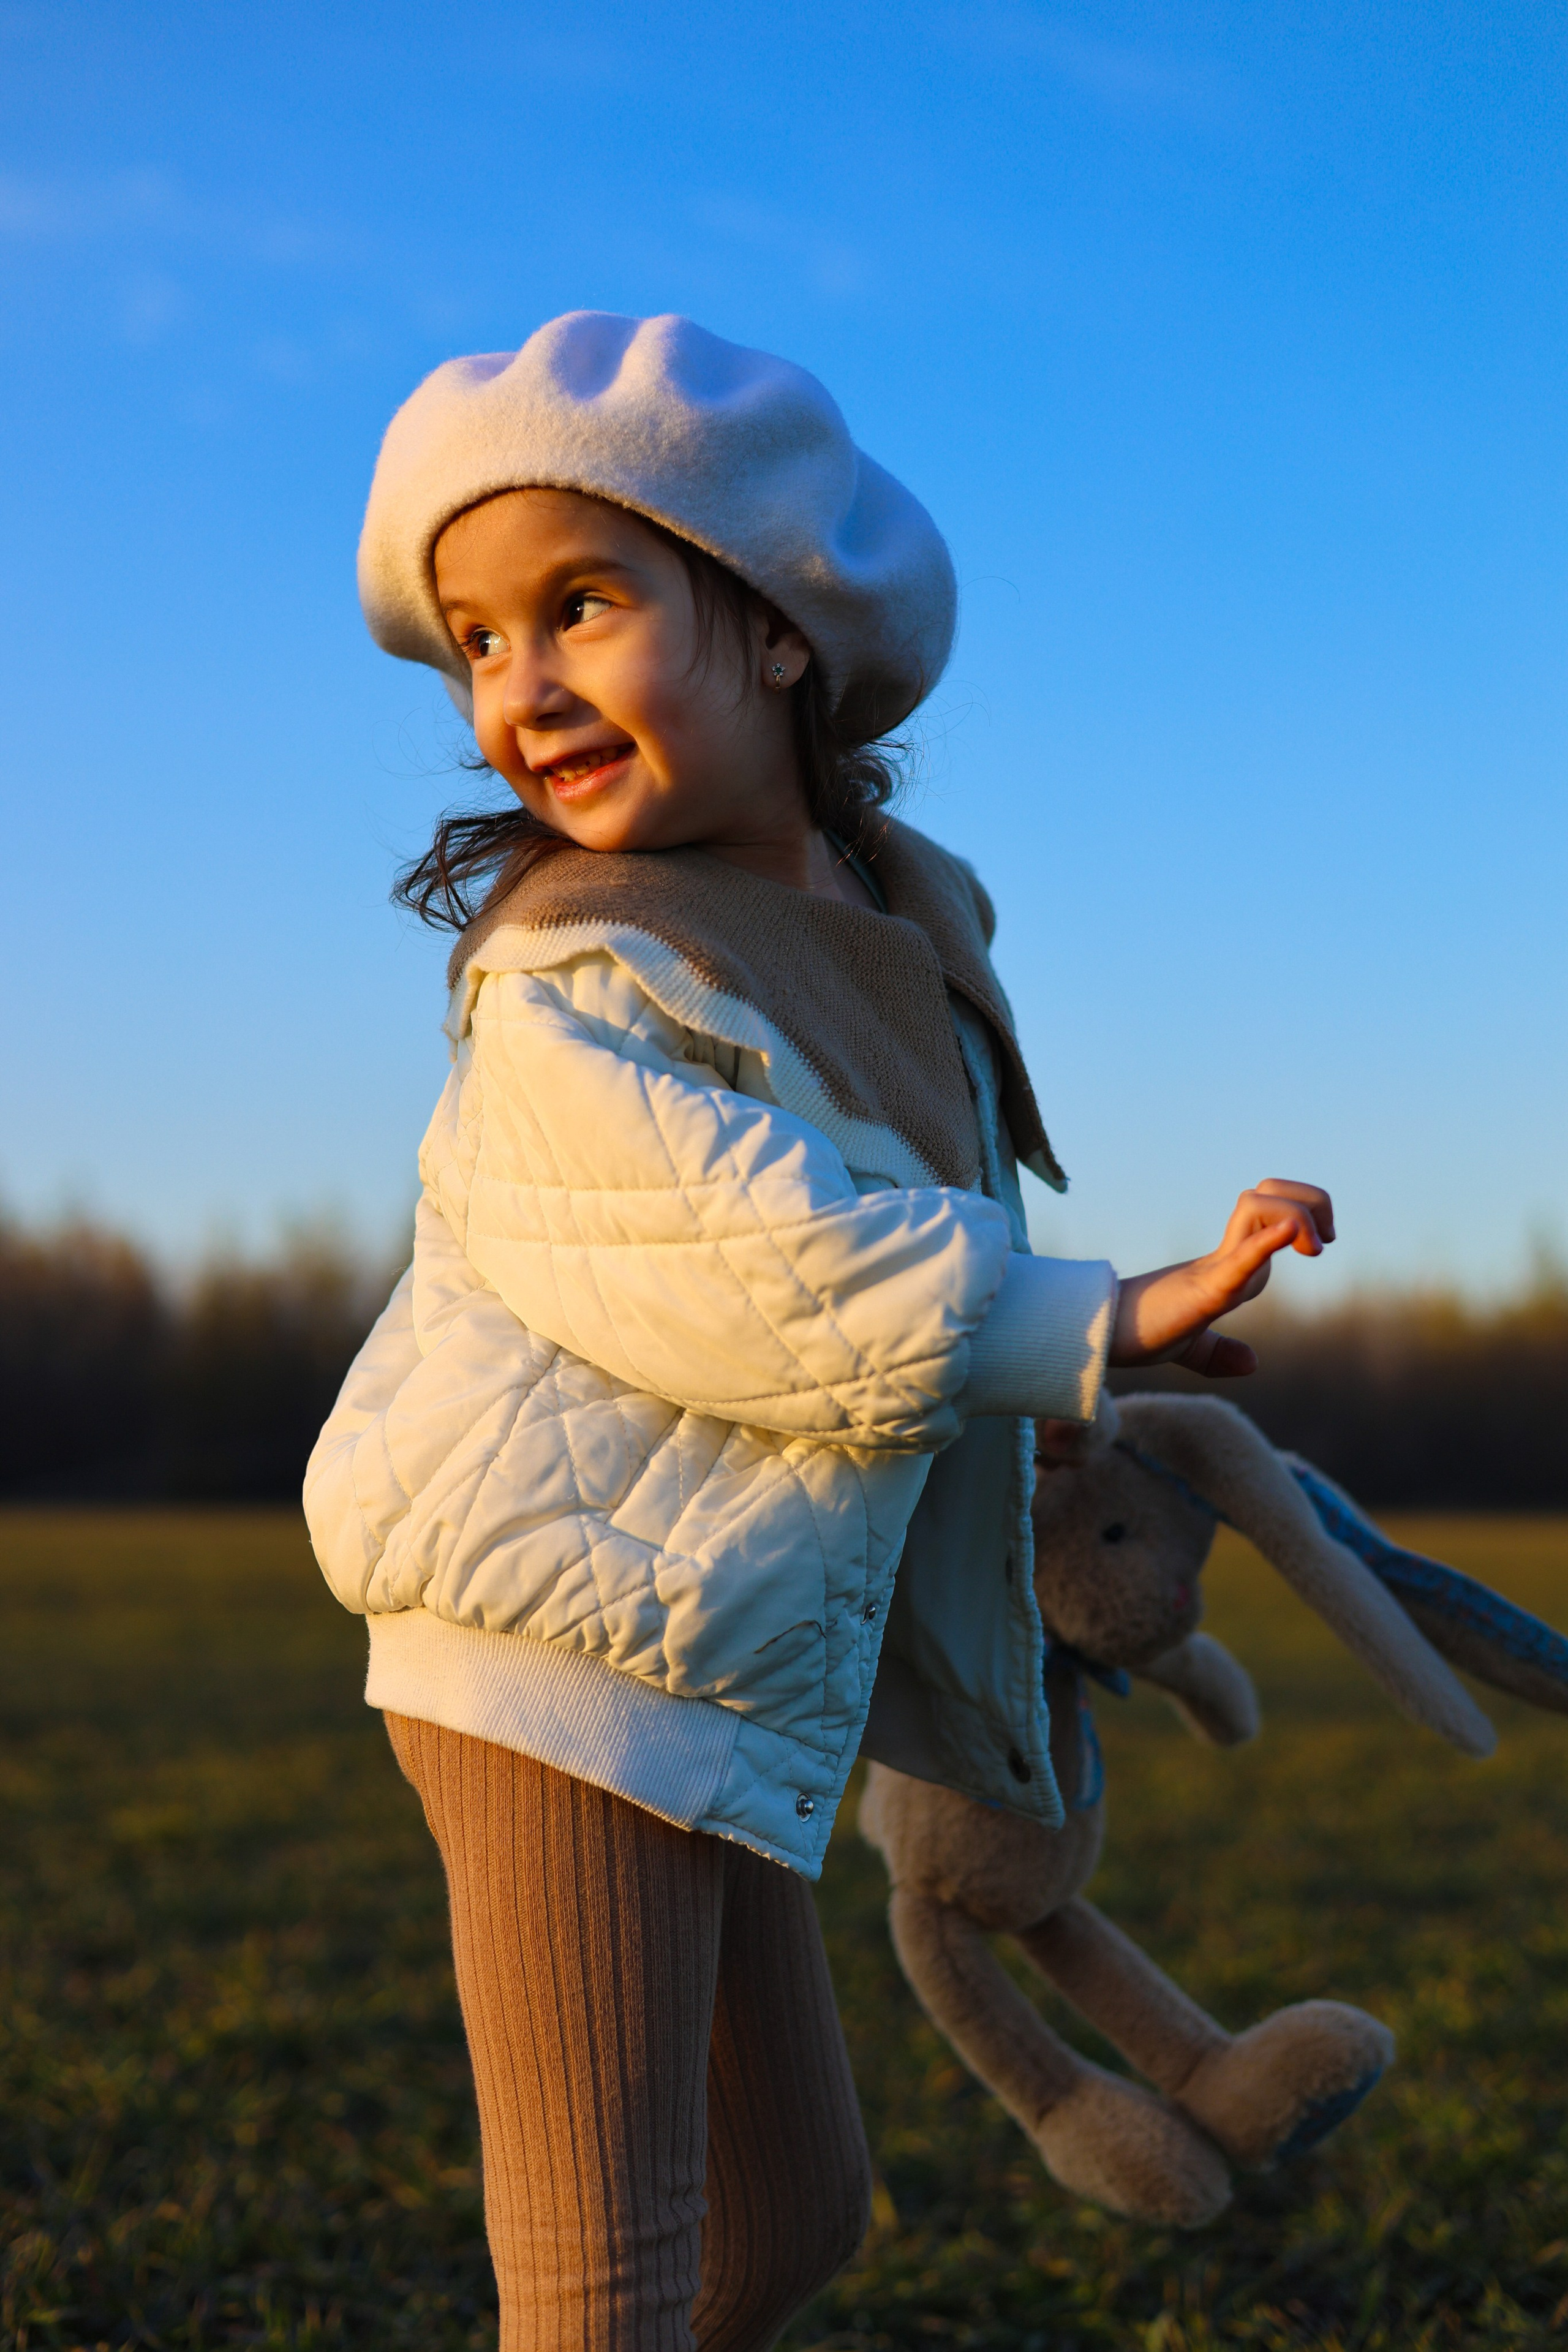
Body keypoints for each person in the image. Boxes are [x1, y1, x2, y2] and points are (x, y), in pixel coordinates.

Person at [307, 311, 1333, 2351]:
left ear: (779, 625)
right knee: (604, 2277)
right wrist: (1082, 1313)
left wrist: (1056, 1378)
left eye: (581, 606)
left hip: (711, 1641)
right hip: (550, 1650)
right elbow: (752, 1269)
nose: (518, 685)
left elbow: (896, 1245)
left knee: (788, 2221)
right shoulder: (577, 978)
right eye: (478, 642)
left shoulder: (882, 932)